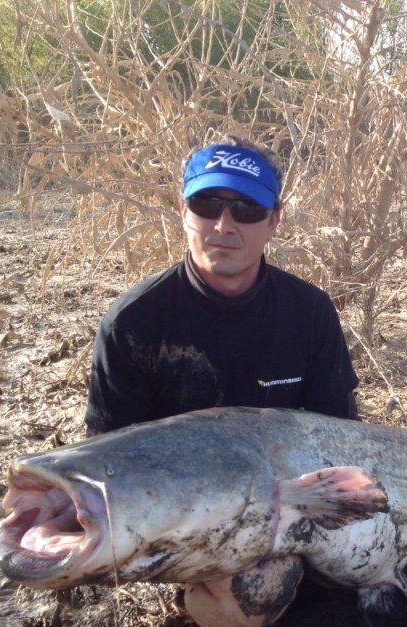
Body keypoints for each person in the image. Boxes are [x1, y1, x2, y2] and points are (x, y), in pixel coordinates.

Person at [84, 134, 359, 435]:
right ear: (184, 211)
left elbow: (341, 438)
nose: (224, 225)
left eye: (247, 208)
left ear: (273, 222)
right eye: (207, 204)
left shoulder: (310, 313)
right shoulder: (130, 324)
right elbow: (109, 460)